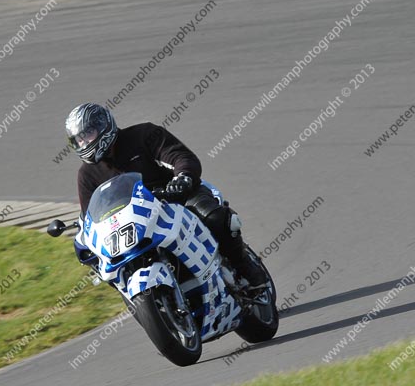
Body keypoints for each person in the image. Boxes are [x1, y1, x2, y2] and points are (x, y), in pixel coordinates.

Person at [65, 102, 267, 288]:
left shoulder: (143, 134)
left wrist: (183, 177)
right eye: (79, 139)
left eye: (88, 134)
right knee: (110, 268)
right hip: (133, 223)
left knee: (216, 217)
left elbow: (180, 156)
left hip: (173, 199)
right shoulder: (87, 175)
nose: (84, 142)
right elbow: (91, 214)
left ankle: (243, 265)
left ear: (103, 126)